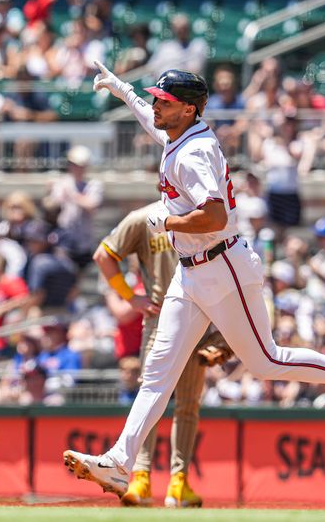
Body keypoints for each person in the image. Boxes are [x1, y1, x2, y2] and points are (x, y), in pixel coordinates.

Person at [62, 62, 325, 499]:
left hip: (224, 266)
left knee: (267, 362)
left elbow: (215, 215)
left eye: (166, 100)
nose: (157, 106)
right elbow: (148, 117)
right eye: (158, 99)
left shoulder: (195, 152)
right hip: (191, 273)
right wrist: (121, 87)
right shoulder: (176, 132)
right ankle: (120, 463)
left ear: (188, 109)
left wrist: (168, 222)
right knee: (157, 373)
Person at [93, 201, 212, 507]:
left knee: (160, 398)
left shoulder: (185, 215)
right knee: (176, 403)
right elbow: (103, 255)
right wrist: (131, 298)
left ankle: (157, 482)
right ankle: (165, 481)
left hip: (183, 319)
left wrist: (131, 297)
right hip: (178, 317)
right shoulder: (148, 217)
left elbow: (103, 257)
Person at [47, 145, 104, 270]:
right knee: (65, 273)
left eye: (80, 165)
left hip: (84, 240)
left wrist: (73, 195)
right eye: (73, 164)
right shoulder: (62, 182)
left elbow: (91, 205)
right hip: (64, 238)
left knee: (77, 278)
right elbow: (52, 205)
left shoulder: (93, 185)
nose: (76, 168)